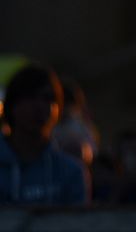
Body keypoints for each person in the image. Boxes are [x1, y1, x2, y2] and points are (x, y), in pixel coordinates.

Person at [0, 63, 89, 205]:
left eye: (48, 98)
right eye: (30, 97)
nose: (40, 106)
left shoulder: (70, 172)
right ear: (12, 105)